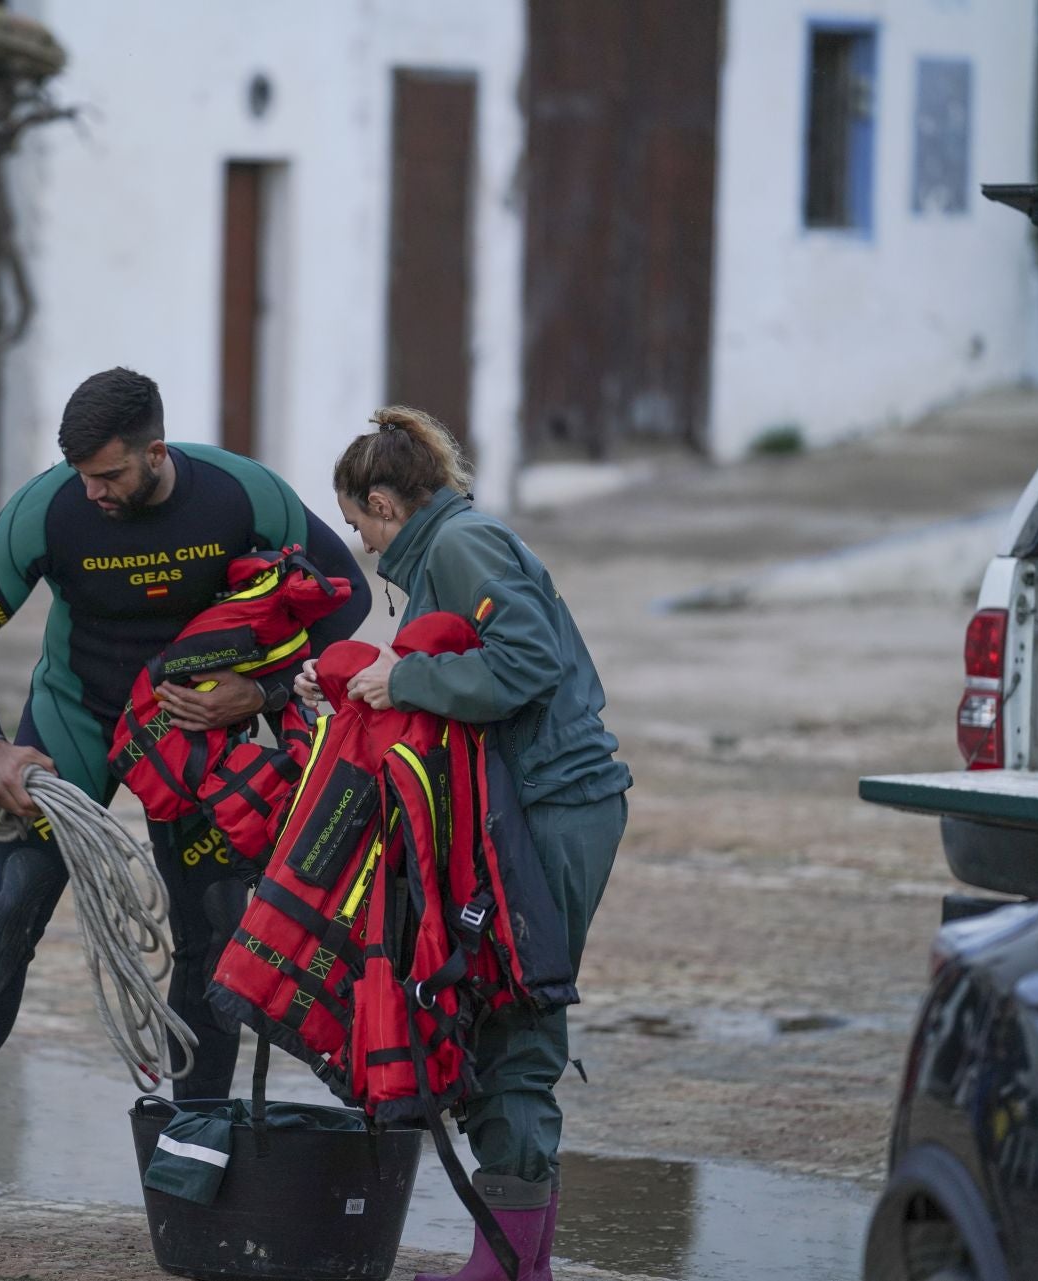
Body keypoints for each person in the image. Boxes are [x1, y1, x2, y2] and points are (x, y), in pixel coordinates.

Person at [0, 366, 369, 1221]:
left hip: (190, 728)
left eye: (109, 474)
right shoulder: (53, 508)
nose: (93, 491)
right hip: (75, 717)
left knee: (215, 928)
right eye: (81, 474)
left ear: (156, 451)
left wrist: (260, 692)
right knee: (9, 913)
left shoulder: (240, 495)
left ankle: (192, 1142)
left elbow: (346, 596)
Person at [296, 406, 630, 1281]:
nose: (361, 545)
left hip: (555, 805)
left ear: (383, 501)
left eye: (357, 523)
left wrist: (400, 673)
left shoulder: (457, 546)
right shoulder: (451, 541)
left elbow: (523, 665)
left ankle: (505, 1266)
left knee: (512, 1021)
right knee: (505, 1014)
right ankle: (521, 1264)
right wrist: (368, 677)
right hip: (535, 807)